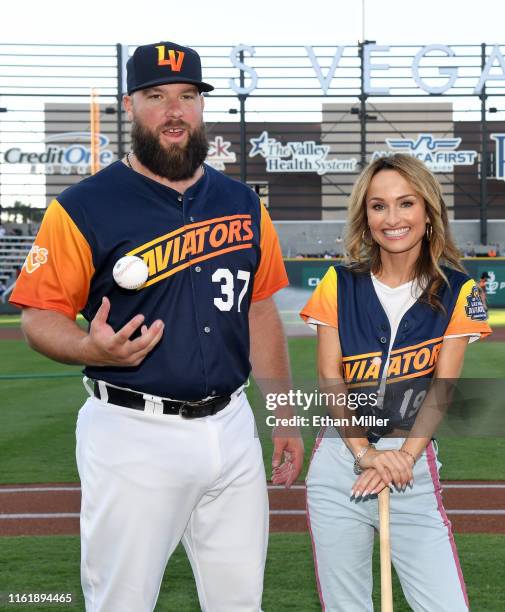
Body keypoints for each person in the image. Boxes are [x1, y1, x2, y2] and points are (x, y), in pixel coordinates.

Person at [10, 41, 303, 612]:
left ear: (200, 107)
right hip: (132, 430)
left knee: (240, 602)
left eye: (187, 96)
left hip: (233, 425)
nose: (175, 110)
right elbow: (39, 316)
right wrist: (87, 345)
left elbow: (261, 307)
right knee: (122, 601)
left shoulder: (243, 203)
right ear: (130, 105)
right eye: (156, 96)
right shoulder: (82, 206)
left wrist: (285, 417)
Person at [300, 154, 491, 611]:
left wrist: (403, 457)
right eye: (378, 206)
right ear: (365, 217)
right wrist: (365, 452)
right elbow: (331, 377)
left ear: (428, 211)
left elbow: (443, 386)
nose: (393, 218)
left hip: (413, 470)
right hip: (340, 467)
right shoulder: (337, 283)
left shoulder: (461, 290)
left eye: (406, 203)